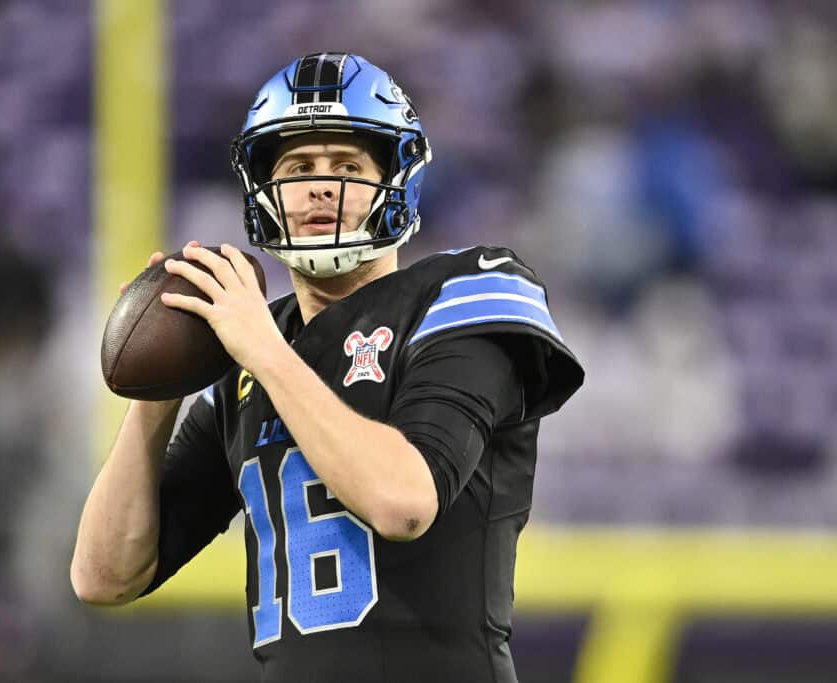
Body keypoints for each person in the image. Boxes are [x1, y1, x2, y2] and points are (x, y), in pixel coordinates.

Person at [71, 52, 584, 682]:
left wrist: (263, 348)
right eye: (298, 167)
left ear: (396, 181)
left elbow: (404, 503)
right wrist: (158, 392)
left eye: (347, 165)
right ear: (265, 190)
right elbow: (104, 576)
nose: (320, 185)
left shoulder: (459, 296)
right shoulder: (247, 357)